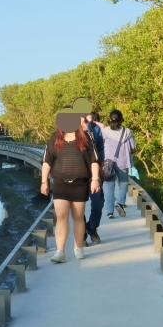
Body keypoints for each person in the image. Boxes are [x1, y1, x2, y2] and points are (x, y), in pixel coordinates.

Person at [41, 106, 101, 263]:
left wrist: (95, 178)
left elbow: (94, 160)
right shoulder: (55, 138)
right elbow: (47, 161)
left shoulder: (86, 138)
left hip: (79, 184)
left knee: (78, 216)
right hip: (61, 184)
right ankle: (60, 251)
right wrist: (44, 181)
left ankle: (77, 247)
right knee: (61, 216)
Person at [101, 109, 136, 219]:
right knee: (123, 183)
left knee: (108, 187)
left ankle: (110, 212)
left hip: (108, 163)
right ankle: (120, 203)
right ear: (121, 120)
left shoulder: (104, 132)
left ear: (110, 119)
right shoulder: (127, 132)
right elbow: (133, 148)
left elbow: (99, 147)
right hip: (123, 162)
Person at [84, 111, 105, 244]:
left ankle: (92, 227)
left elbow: (101, 148)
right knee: (78, 206)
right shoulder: (68, 129)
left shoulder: (95, 129)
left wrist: (102, 165)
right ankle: (81, 234)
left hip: (94, 172)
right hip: (77, 172)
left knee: (98, 202)